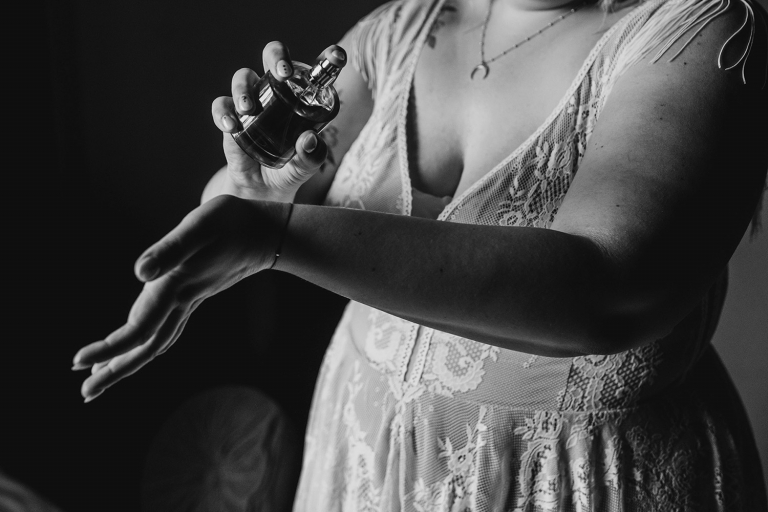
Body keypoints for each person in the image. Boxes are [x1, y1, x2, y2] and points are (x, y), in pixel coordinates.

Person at [72, 0, 768, 508]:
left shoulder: (704, 30)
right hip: (365, 458)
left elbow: (609, 287)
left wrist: (281, 236)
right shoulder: (401, 29)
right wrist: (257, 186)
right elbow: (236, 208)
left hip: (576, 481)